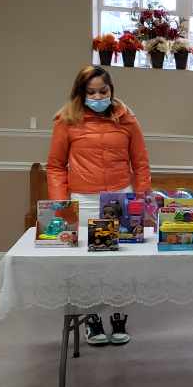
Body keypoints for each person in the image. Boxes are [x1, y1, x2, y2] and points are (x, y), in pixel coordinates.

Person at [47, 65, 151, 347]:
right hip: (85, 200)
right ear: (80, 93)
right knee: (86, 265)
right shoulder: (66, 120)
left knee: (120, 262)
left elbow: (140, 163)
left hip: (119, 198)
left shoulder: (127, 120)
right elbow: (56, 167)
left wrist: (140, 198)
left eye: (102, 91)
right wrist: (61, 205)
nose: (97, 96)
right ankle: (91, 320)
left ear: (111, 90)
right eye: (90, 92)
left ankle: (118, 318)